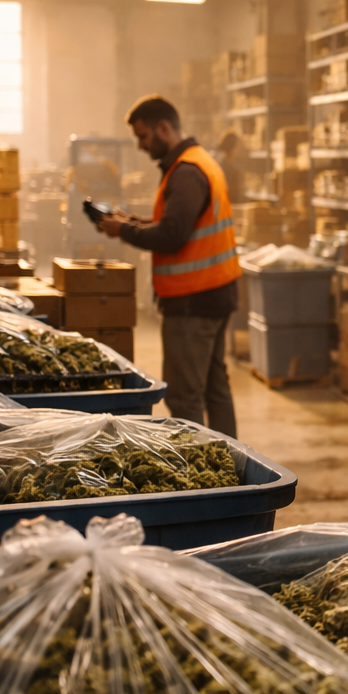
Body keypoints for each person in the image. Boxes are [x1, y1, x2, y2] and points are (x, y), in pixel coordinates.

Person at [95, 95, 240, 439]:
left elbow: (173, 234)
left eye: (144, 137)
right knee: (214, 389)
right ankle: (233, 464)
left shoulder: (187, 172)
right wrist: (134, 221)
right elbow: (178, 223)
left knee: (185, 396)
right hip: (213, 295)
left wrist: (122, 230)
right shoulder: (197, 161)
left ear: (164, 128)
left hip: (193, 303)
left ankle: (205, 478)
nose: (142, 146)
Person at [215, 131, 249, 204]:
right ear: (233, 148)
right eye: (240, 147)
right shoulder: (233, 170)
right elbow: (236, 197)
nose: (243, 150)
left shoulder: (218, 165)